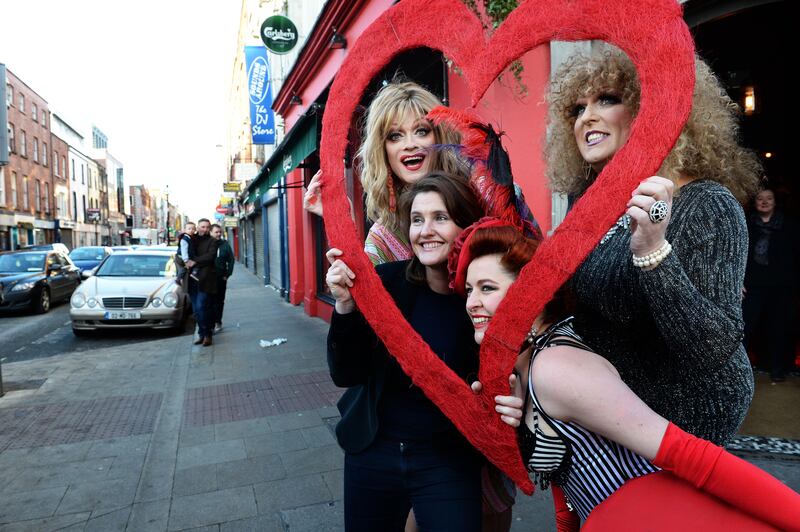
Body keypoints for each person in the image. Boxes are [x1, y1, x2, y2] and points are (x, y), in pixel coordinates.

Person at [455, 220, 800, 530]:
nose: (472, 302)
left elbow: (689, 454)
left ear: (532, 294)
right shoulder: (529, 364)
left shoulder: (556, 367)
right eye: (469, 290)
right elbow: (564, 477)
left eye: (487, 288)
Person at [308, 80, 532, 528]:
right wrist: (336, 223)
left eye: (421, 131)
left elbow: (526, 301)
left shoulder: (487, 200)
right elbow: (356, 336)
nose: (410, 144)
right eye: (394, 135)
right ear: (382, 149)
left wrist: (521, 381)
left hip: (473, 414)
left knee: (489, 511)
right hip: (399, 429)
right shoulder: (380, 239)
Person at [544, 48, 762, 445]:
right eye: (577, 108)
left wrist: (653, 252)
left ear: (653, 108)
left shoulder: (707, 203)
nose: (586, 117)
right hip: (614, 418)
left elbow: (713, 349)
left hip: (684, 424)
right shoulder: (590, 204)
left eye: (607, 99)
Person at [327, 172, 495, 531]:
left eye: (441, 218)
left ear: (466, 225)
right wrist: (344, 307)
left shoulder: (480, 297)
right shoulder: (385, 282)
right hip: (374, 450)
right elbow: (346, 373)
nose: (426, 230)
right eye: (417, 220)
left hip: (446, 458)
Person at [743, 187, 799, 383]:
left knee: (779, 328)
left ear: (775, 202)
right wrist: (739, 281)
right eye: (760, 198)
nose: (764, 202)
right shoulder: (746, 225)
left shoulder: (789, 226)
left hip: (781, 287)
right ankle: (742, 371)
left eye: (769, 198)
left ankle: (777, 369)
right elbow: (737, 256)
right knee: (747, 328)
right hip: (752, 286)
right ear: (755, 202)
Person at [186, 218, 220, 347]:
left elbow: (211, 257)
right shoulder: (190, 239)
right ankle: (201, 333)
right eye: (202, 227)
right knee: (196, 310)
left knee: (202, 307)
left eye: (207, 227)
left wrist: (194, 261)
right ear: (198, 227)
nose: (205, 229)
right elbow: (182, 251)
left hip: (206, 280)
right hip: (192, 280)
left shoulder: (212, 241)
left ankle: (207, 335)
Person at [210, 223, 235, 333]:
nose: (219, 234)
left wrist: (227, 274)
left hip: (221, 278)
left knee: (219, 301)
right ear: (210, 232)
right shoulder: (206, 244)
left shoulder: (225, 245)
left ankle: (217, 321)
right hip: (208, 279)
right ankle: (210, 323)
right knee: (209, 301)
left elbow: (231, 260)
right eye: (216, 232)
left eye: (220, 232)